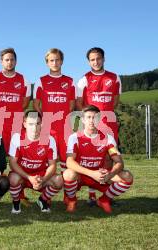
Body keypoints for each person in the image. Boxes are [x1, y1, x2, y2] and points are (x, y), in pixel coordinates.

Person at [63, 105, 133, 214]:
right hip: (81, 175)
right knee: (68, 174)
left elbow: (119, 162)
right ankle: (72, 200)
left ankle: (104, 200)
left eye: (94, 117)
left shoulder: (107, 138)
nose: (91, 121)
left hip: (100, 176)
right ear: (83, 120)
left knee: (127, 176)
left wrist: (109, 175)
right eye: (88, 117)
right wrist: (91, 173)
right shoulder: (74, 137)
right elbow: (69, 162)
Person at [75, 47, 122, 204]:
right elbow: (79, 103)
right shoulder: (84, 79)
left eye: (98, 58)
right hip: (91, 125)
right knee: (91, 157)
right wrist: (89, 119)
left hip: (108, 122)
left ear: (103, 59)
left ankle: (106, 194)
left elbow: (115, 101)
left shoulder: (114, 78)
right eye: (92, 59)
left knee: (108, 158)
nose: (96, 62)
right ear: (89, 61)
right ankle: (91, 195)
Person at [33, 48, 75, 204]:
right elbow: (36, 104)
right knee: (47, 162)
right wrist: (45, 118)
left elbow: (72, 104)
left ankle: (68, 196)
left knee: (66, 162)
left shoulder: (70, 81)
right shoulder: (41, 81)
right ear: (47, 62)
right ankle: (46, 195)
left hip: (64, 127)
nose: (55, 63)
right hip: (47, 128)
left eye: (57, 60)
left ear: (62, 61)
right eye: (51, 60)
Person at [8, 111, 63, 214]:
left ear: (42, 124)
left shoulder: (49, 139)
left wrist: (43, 179)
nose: (34, 127)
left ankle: (43, 199)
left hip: (41, 176)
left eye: (38, 123)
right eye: (31, 124)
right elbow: (12, 163)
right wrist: (29, 177)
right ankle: (16, 202)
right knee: (12, 178)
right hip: (23, 175)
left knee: (59, 180)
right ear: (24, 124)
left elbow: (52, 165)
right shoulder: (17, 138)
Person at [0, 48, 31, 153]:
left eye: (12, 59)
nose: (9, 62)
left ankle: (15, 170)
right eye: (7, 60)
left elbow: (25, 103)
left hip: (16, 123)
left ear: (16, 61)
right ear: (1, 61)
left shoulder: (24, 80)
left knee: (17, 153)